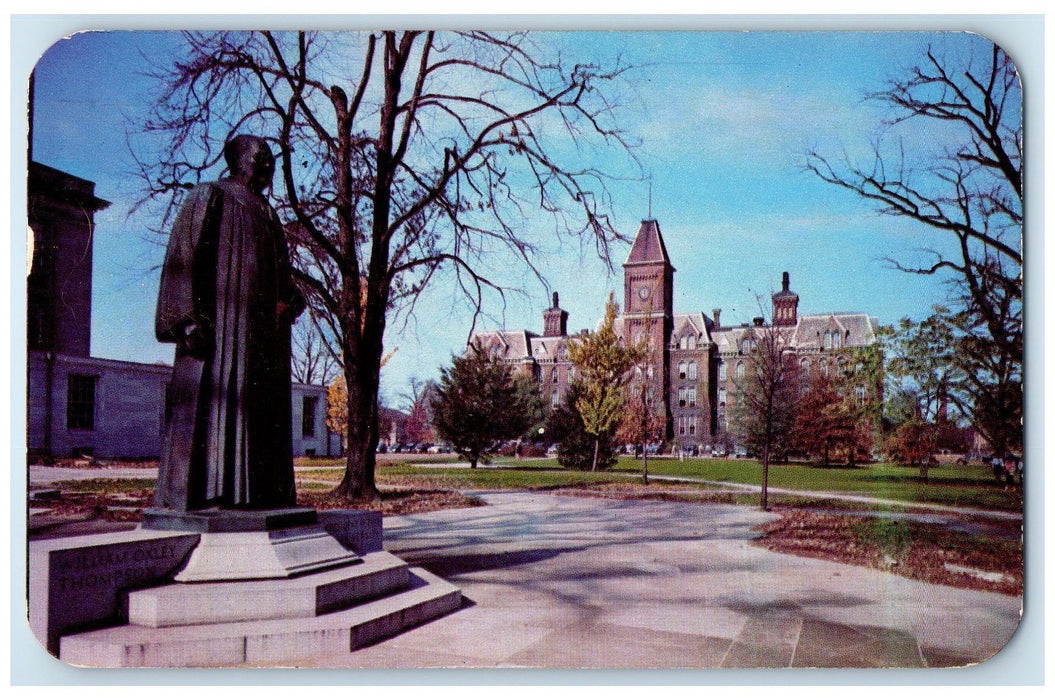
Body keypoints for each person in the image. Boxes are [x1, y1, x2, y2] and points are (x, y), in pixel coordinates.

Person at [154, 135, 305, 512]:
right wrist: (185, 319)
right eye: (262, 157)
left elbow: (283, 277)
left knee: (261, 410)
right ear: (240, 160)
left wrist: (292, 298)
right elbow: (182, 256)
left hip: (264, 338)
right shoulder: (211, 196)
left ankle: (261, 496)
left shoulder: (269, 214)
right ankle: (218, 494)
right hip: (225, 330)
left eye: (271, 158)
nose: (269, 165)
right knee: (225, 406)